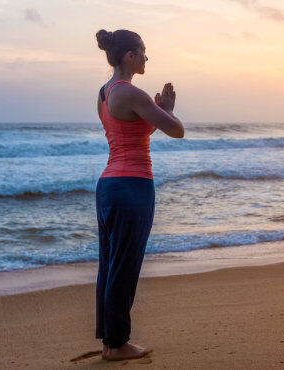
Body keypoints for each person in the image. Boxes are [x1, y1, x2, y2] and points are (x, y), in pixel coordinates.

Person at [94, 28, 185, 361]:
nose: (147, 57)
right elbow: (177, 130)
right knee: (125, 266)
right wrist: (169, 109)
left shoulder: (105, 93)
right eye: (143, 52)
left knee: (110, 264)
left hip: (108, 186)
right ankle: (118, 345)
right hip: (133, 185)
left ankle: (109, 339)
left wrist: (154, 113)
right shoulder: (132, 93)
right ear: (130, 56)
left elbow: (129, 131)